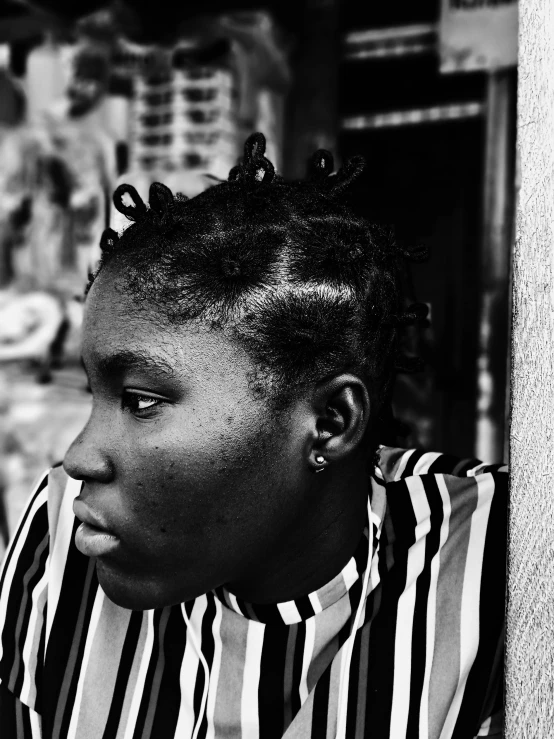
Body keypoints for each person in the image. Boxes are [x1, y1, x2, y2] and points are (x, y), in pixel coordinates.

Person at [0, 133, 507, 738]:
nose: (78, 457)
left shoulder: (496, 556)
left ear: (331, 422)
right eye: (95, 396)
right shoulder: (61, 535)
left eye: (139, 401)